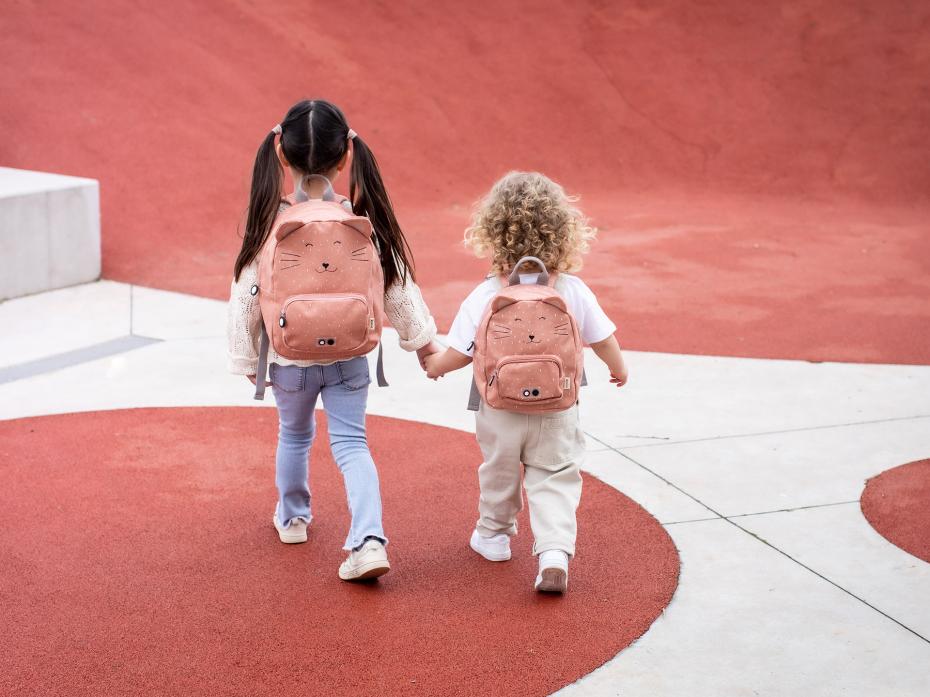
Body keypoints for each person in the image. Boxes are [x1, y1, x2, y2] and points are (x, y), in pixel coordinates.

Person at [227, 99, 440, 581]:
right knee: (352, 443)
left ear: (281, 155)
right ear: (347, 156)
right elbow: (396, 283)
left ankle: (294, 517)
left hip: (289, 358)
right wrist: (423, 342)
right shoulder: (358, 221)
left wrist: (245, 357)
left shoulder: (270, 223)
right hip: (350, 356)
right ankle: (367, 539)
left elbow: (246, 292)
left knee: (295, 437)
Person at [424, 172, 628, 592]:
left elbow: (461, 353)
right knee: (554, 473)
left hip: (498, 408)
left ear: (492, 232)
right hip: (558, 405)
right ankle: (553, 550)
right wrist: (618, 366)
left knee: (499, 469)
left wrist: (435, 366)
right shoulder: (571, 289)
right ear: (563, 232)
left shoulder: (486, 294)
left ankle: (493, 536)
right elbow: (603, 338)